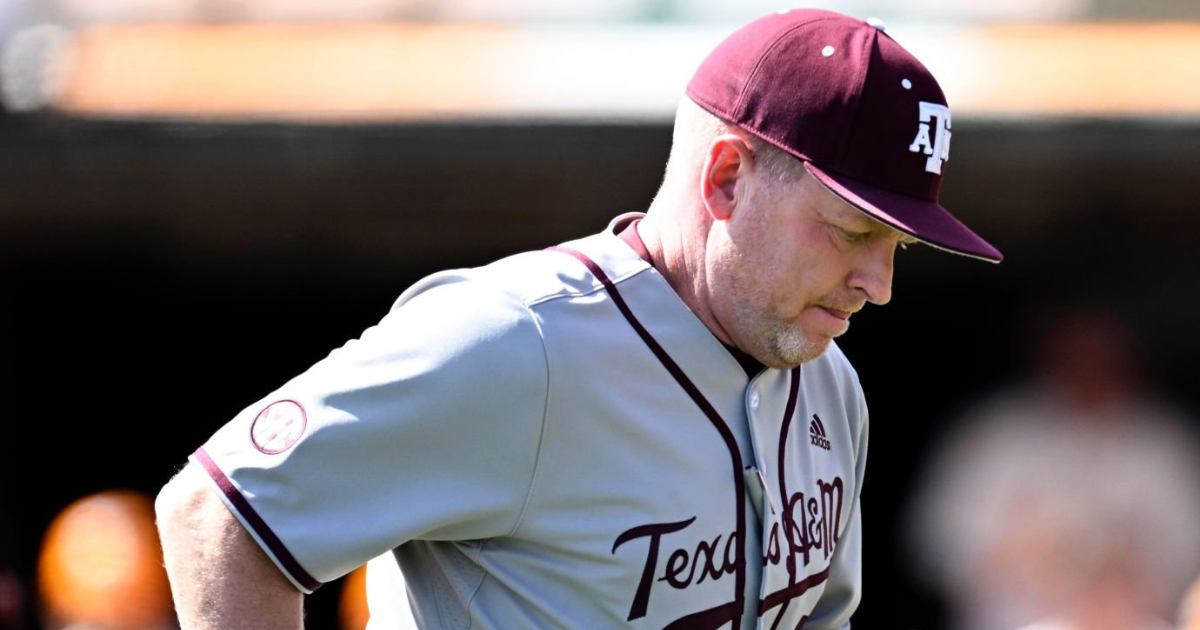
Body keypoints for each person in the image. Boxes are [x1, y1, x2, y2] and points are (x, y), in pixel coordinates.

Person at [154, 8, 1003, 630]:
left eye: (898, 246)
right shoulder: (519, 343)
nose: (878, 284)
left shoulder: (831, 383)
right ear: (727, 180)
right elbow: (218, 514)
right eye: (853, 231)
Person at [903, 305, 1200, 630]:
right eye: (1077, 353)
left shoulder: (1166, 441)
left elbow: (1186, 557)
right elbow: (932, 546)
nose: (1090, 367)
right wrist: (1032, 556)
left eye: (1103, 354)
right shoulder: (992, 434)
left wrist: (1120, 571)